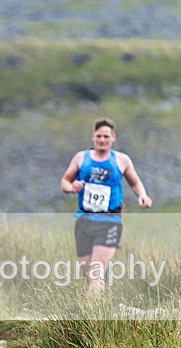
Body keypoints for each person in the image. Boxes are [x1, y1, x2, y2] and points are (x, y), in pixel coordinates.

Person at [60, 118, 152, 293]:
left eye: (106, 136)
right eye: (99, 136)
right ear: (93, 137)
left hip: (110, 221)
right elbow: (64, 181)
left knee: (96, 273)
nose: (102, 140)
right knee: (90, 275)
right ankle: (106, 302)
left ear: (113, 138)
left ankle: (89, 317)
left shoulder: (122, 160)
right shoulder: (81, 158)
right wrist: (71, 187)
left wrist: (143, 196)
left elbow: (135, 182)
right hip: (84, 220)